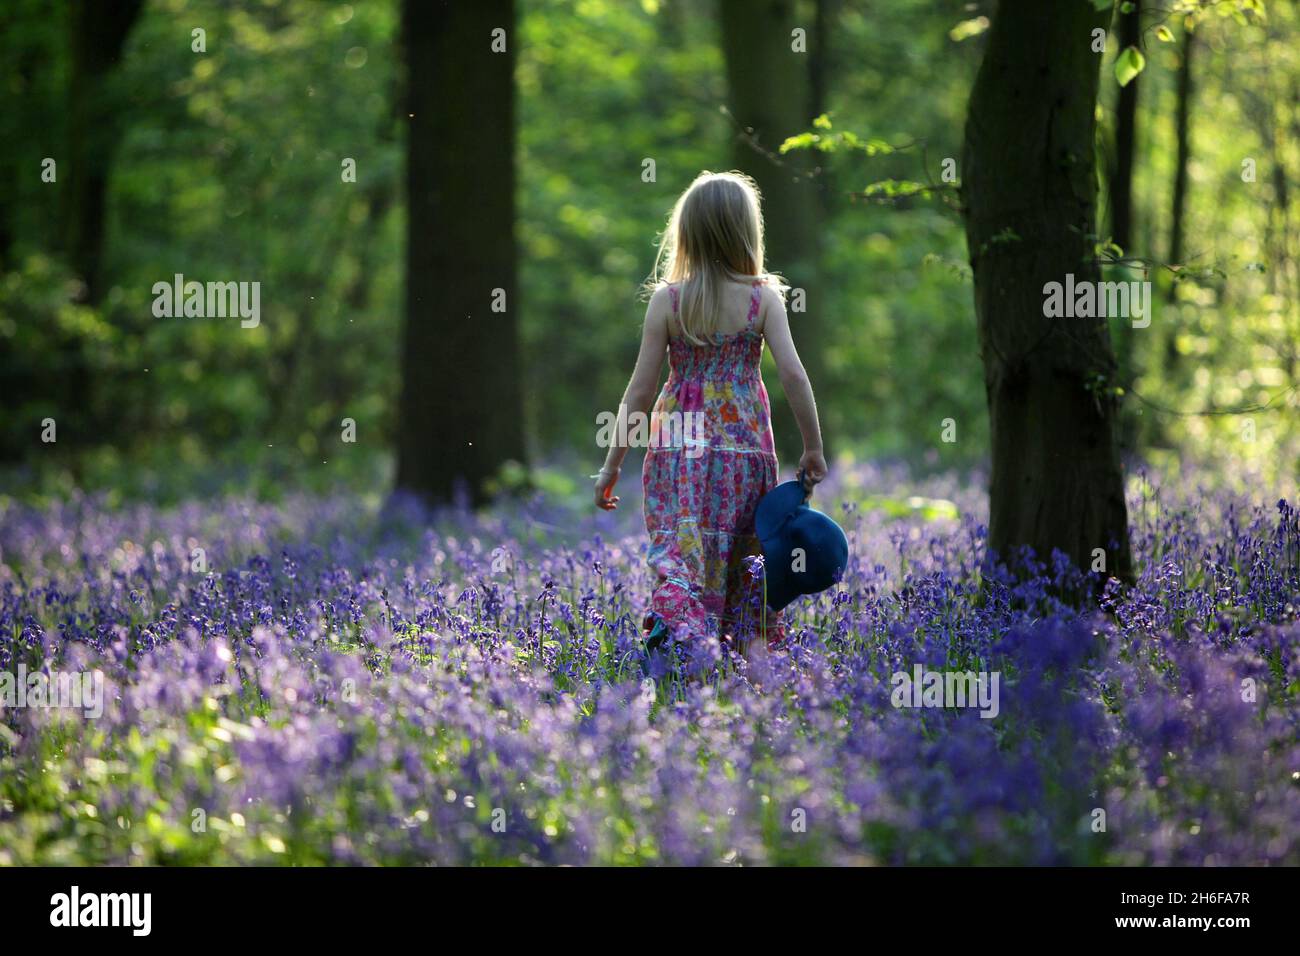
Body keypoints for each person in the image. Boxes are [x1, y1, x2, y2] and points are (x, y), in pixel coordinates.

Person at [593, 170, 826, 662]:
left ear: (688, 232)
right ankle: (743, 657)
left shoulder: (668, 301)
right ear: (747, 231)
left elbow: (638, 392)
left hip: (680, 453)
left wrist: (612, 465)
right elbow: (794, 377)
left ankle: (680, 636)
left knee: (683, 552)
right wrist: (812, 447)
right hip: (744, 453)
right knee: (746, 554)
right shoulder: (764, 299)